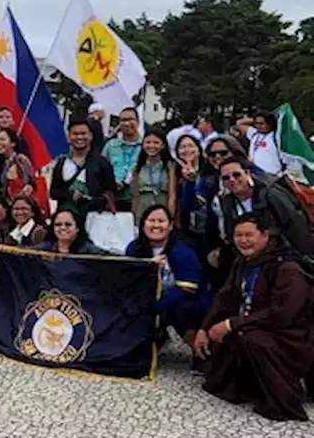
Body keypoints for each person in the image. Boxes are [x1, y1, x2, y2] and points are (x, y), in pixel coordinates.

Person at [195, 212, 314, 421]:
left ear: (265, 236)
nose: (243, 241)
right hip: (256, 324)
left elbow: (283, 314)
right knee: (222, 336)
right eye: (238, 235)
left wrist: (233, 323)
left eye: (249, 235)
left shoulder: (287, 267)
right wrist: (205, 328)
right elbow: (225, 298)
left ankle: (283, 399)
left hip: (292, 336)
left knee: (252, 339)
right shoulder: (243, 263)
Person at [125, 205, 210, 354]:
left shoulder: (183, 251)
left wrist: (156, 305)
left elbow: (188, 288)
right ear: (143, 224)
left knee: (181, 309)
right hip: (147, 298)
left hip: (182, 301)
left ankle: (200, 351)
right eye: (151, 220)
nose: (156, 225)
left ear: (170, 226)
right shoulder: (133, 248)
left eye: (161, 221)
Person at [217, 157, 314, 282]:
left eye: (236, 174)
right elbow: (231, 234)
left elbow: (296, 226)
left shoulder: (271, 193)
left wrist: (303, 260)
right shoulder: (227, 203)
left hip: (284, 257)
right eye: (226, 178)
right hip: (252, 259)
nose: (232, 180)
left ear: (247, 173)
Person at [49, 117, 118, 213]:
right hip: (67, 217)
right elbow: (53, 193)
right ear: (68, 138)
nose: (79, 137)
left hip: (94, 216)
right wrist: (71, 194)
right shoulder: (61, 163)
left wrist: (92, 199)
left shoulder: (102, 163)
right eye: (75, 134)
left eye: (83, 134)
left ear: (91, 136)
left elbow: (111, 190)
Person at [102, 107, 144, 212]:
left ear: (138, 122)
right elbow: (100, 169)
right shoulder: (111, 145)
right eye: (123, 120)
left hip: (138, 200)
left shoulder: (146, 145)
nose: (126, 123)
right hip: (113, 201)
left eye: (130, 119)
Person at [132, 130, 178, 222]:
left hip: (162, 205)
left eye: (156, 143)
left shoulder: (170, 166)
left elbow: (172, 195)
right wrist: (133, 216)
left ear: (163, 145)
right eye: (148, 142)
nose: (151, 146)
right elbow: (135, 196)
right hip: (143, 207)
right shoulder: (137, 167)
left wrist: (171, 218)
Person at [36, 207, 111, 256]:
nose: (63, 228)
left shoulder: (89, 251)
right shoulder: (43, 249)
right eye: (58, 224)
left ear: (77, 228)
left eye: (68, 224)